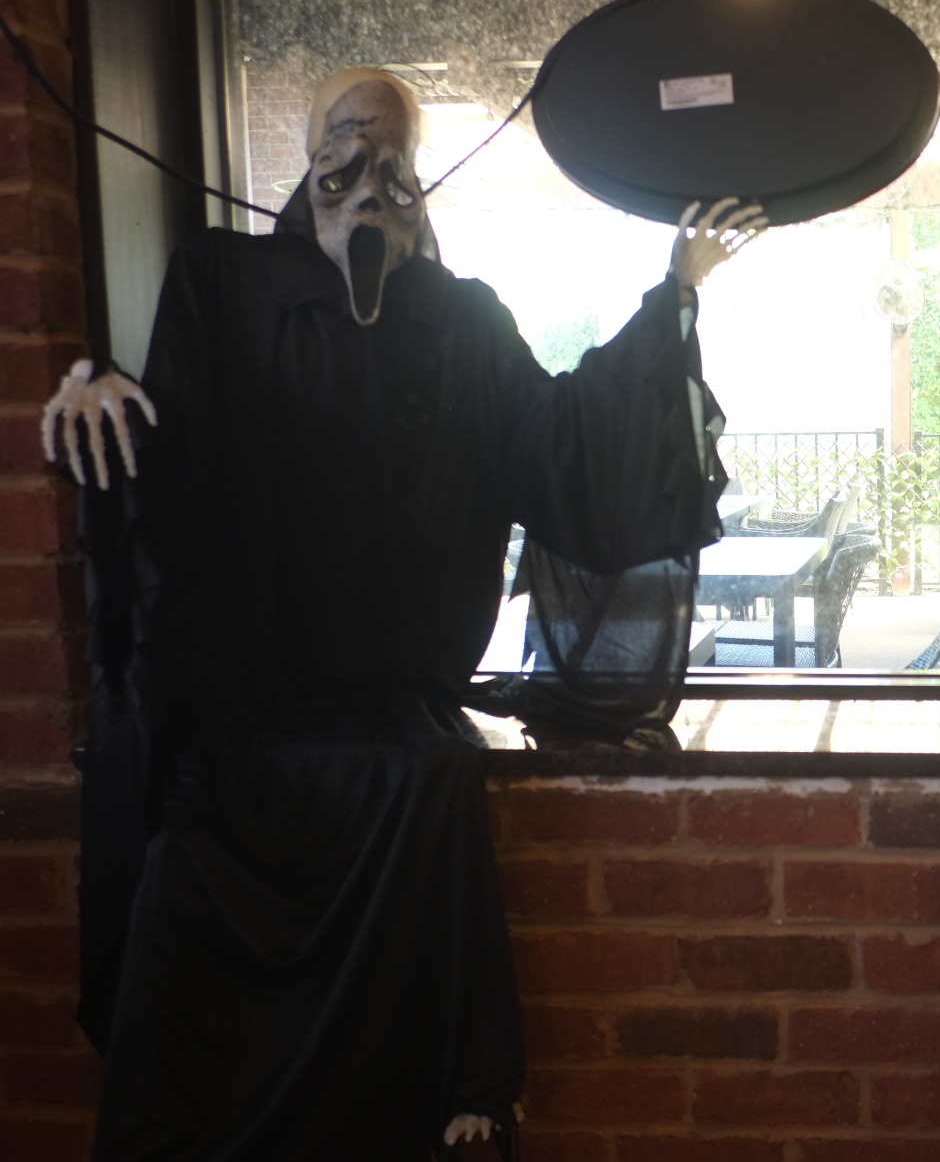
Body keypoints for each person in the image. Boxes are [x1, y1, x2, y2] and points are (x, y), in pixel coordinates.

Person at [43, 67, 762, 1160]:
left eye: (394, 166)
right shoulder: (221, 282)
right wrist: (94, 384)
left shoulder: (463, 321)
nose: (369, 188)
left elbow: (560, 443)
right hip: (241, 722)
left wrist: (674, 295)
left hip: (390, 712)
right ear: (306, 168)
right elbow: (164, 455)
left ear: (424, 180)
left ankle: (458, 1090)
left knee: (435, 779)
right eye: (343, 160)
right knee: (180, 862)